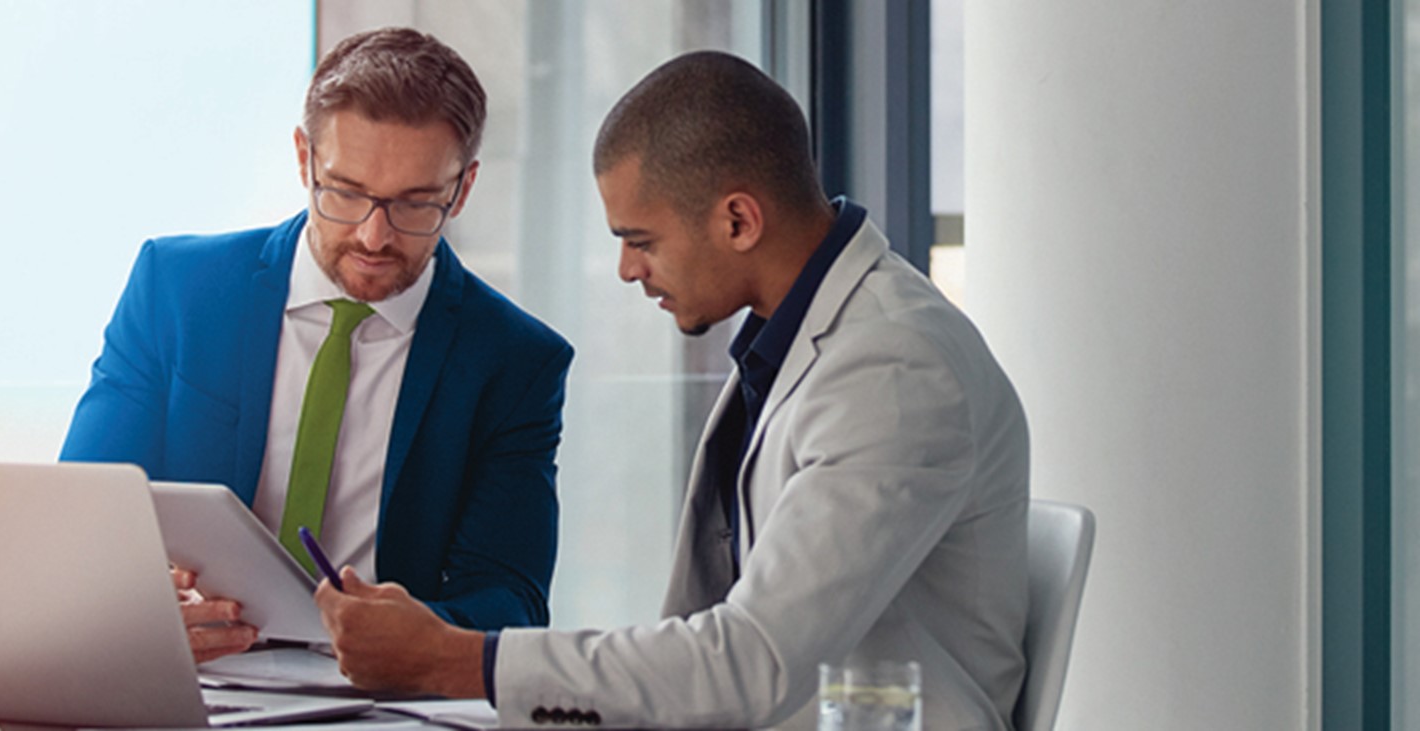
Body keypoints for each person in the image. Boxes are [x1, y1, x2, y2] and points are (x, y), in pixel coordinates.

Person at [313, 51, 1030, 729]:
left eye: (641, 239)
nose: (628, 269)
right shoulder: (801, 342)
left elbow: (754, 659)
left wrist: (454, 658)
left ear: (738, 220)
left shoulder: (894, 367)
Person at [60, 27, 573, 664]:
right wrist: (140, 605)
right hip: (184, 682)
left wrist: (418, 633)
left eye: (415, 204)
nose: (373, 236)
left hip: (377, 701)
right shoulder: (178, 288)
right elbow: (78, 519)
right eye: (346, 192)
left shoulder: (515, 361)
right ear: (304, 160)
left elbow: (511, 596)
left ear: (462, 189)